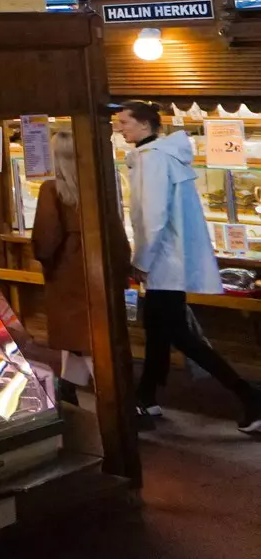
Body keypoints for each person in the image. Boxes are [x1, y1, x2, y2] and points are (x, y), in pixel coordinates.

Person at [112, 101, 261, 430]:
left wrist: (141, 261)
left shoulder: (152, 160)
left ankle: (249, 396)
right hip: (169, 260)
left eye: (124, 121)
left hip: (163, 262)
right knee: (159, 331)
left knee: (177, 333)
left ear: (145, 125)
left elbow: (152, 218)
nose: (119, 127)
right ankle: (147, 398)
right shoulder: (162, 155)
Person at [31, 129, 129, 398]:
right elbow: (117, 231)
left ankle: (115, 402)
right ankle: (69, 394)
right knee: (88, 338)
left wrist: (43, 257)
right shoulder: (99, 186)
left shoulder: (52, 190)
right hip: (99, 269)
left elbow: (46, 239)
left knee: (81, 341)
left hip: (67, 274)